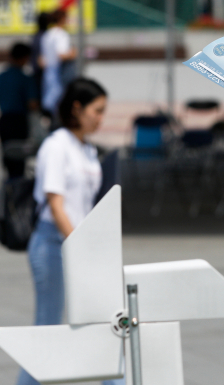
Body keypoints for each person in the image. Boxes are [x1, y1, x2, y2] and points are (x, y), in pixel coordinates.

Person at [17, 78, 123, 385]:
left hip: (79, 246)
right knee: (48, 329)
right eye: (97, 111)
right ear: (77, 108)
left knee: (107, 322)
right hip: (53, 244)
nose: (101, 118)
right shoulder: (56, 144)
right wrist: (82, 248)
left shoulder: (87, 149)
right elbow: (56, 204)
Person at [0, 42, 38, 178]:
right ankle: (18, 192)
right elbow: (32, 104)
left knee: (9, 157)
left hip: (4, 121)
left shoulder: (2, 77)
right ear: (25, 57)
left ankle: (9, 191)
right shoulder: (25, 78)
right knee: (20, 158)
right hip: (19, 123)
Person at [40, 9, 76, 117]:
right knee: (59, 102)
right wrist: (73, 54)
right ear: (62, 19)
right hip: (59, 72)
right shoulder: (61, 34)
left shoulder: (47, 34)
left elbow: (43, 57)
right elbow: (61, 54)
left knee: (49, 101)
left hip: (48, 70)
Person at [31, 12, 50, 103]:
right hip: (42, 73)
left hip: (37, 72)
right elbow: (40, 58)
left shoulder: (36, 36)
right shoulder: (44, 36)